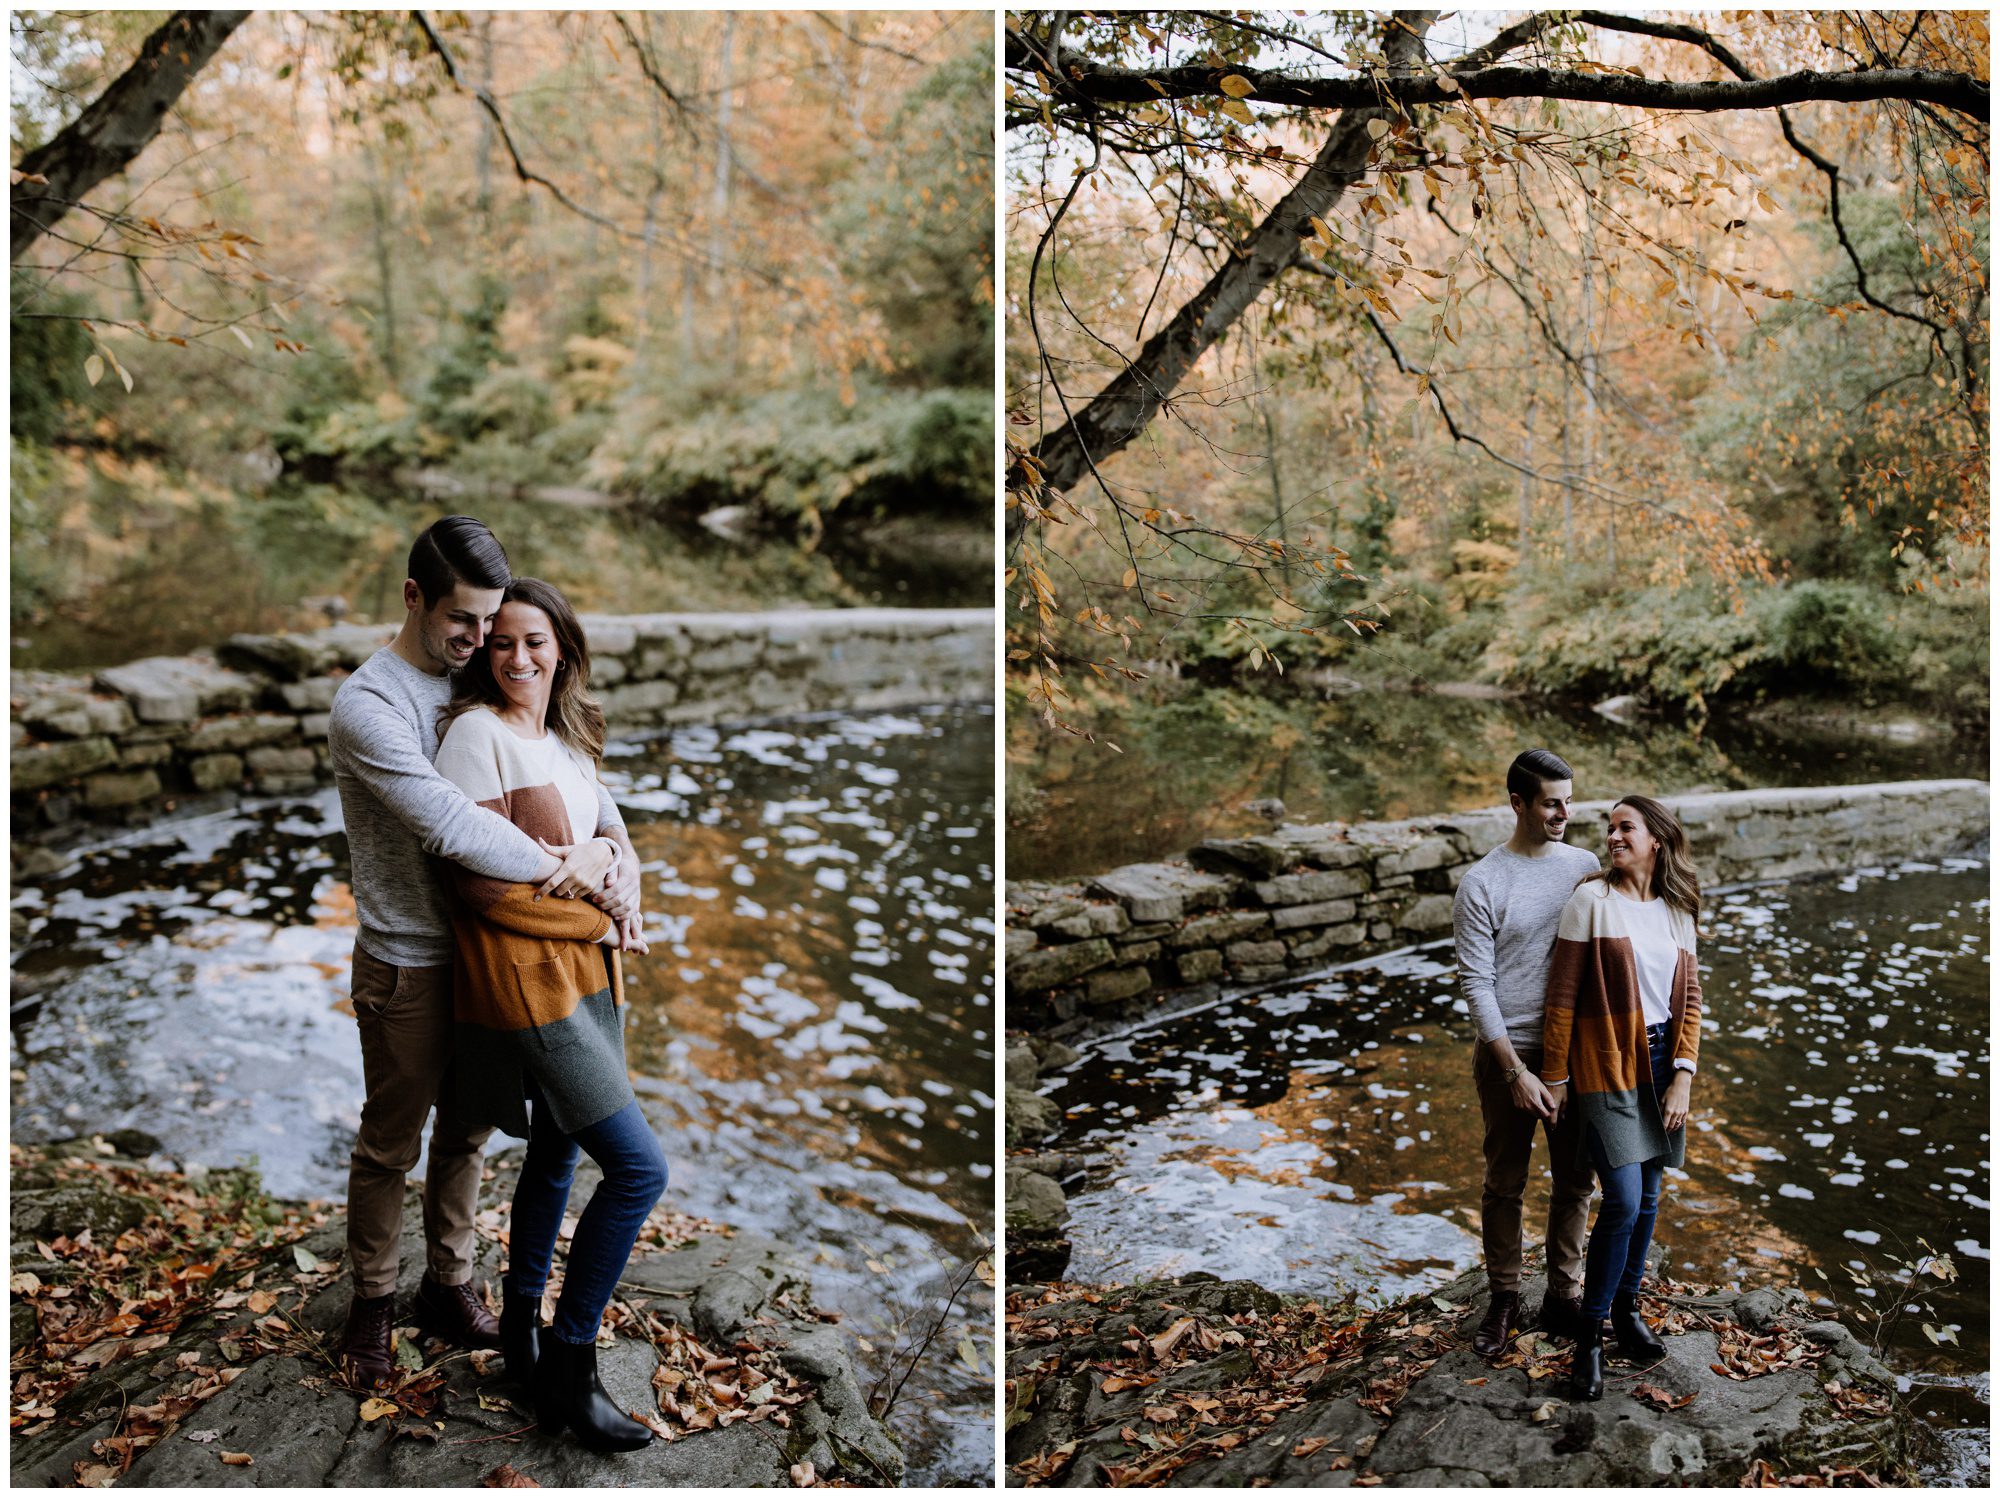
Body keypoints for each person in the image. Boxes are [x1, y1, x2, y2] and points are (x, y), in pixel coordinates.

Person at [326, 517, 641, 1388]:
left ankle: (449, 1285)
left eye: (490, 622)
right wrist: (569, 871)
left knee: (466, 1134)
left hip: (492, 956)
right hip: (411, 958)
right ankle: (371, 1307)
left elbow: (587, 792)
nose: (479, 643)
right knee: (391, 1143)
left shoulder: (483, 669)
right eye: (462, 622)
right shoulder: (370, 706)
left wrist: (620, 863)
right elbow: (453, 826)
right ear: (413, 597)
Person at [434, 577, 667, 1453]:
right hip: (529, 983)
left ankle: (525, 1332)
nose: (520, 658)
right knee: (640, 1171)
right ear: (484, 652)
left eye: (537, 642)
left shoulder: (567, 744)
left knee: (561, 1149)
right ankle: (573, 1363)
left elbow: (607, 846)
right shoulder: (475, 737)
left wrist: (607, 853)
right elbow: (483, 886)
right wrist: (599, 906)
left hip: (587, 979)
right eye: (503, 643)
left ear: (563, 648)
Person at [1541, 794, 1703, 1402]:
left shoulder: (1678, 910)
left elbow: (1689, 1001)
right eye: (1608, 828)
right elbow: (1561, 998)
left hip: (1663, 1063)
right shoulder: (1592, 902)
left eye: (1624, 827)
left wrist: (1683, 1074)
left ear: (1656, 839)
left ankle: (1628, 1310)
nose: (1612, 836)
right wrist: (1556, 1080)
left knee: (1653, 1195)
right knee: (1625, 1199)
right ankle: (1588, 1335)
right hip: (1606, 1063)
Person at [1452, 748, 1601, 1359]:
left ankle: (1564, 1299)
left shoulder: (1585, 866)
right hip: (1503, 1050)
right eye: (1551, 802)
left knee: (1575, 1182)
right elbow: (1475, 984)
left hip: (1575, 1051)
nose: (1565, 812)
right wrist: (1513, 1069)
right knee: (1504, 1183)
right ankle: (1505, 1298)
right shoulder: (1483, 882)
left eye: (1569, 799)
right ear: (1517, 803)